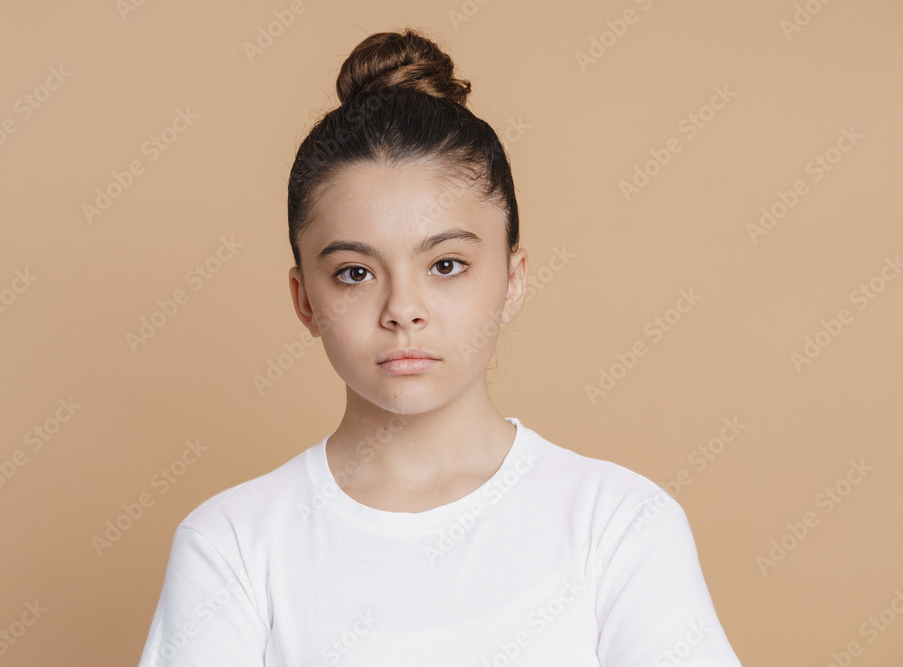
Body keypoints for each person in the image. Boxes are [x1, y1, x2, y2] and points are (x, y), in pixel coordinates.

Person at [137, 27, 742, 666]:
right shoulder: (232, 544)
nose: (402, 311)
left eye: (447, 265)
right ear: (304, 299)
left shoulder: (620, 525)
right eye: (354, 272)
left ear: (512, 280)